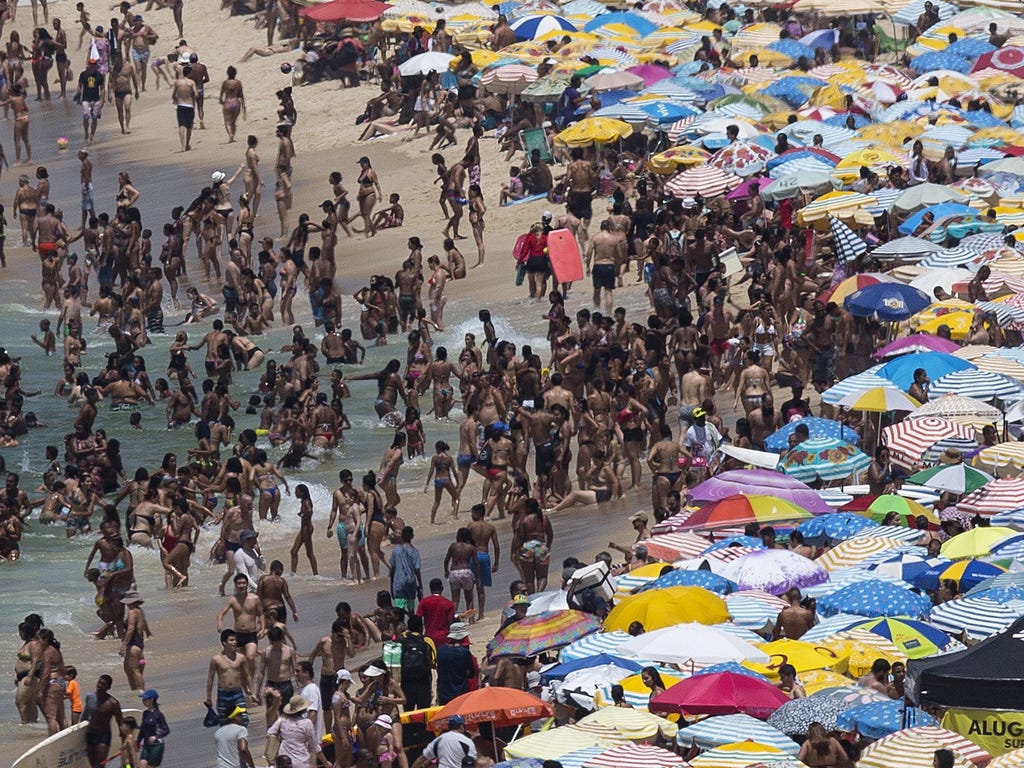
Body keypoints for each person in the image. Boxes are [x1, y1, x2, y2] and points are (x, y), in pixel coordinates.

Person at [266, 695, 328, 768]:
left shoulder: (282, 720)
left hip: (284, 761)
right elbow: (314, 746)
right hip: (301, 761)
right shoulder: (307, 723)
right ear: (304, 709)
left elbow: (269, 733)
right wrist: (325, 762)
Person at [82, 674, 128, 768]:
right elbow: (85, 716)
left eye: (103, 684)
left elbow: (120, 722)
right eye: (99, 683)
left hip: (103, 736)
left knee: (100, 765)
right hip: (90, 734)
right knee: (93, 765)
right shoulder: (90, 697)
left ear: (108, 687)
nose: (99, 686)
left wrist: (125, 741)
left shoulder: (113, 703)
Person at [435, 622, 476, 704]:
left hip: (444, 693)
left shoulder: (440, 650)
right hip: (461, 692)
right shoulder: (464, 652)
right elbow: (471, 673)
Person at [389, 525, 423, 614]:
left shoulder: (396, 551)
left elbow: (392, 569)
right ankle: (412, 626)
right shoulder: (415, 552)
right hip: (410, 582)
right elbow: (417, 571)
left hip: (398, 582)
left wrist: (391, 584)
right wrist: (420, 586)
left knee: (399, 610)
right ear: (412, 536)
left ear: (402, 536)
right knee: (411, 609)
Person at [137, 689, 169, 768]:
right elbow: (142, 729)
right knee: (142, 764)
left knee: (151, 766)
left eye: (145, 699)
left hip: (156, 745)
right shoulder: (145, 713)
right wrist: (137, 742)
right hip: (146, 744)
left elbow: (166, 730)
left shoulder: (158, 714)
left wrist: (156, 737)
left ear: (151, 700)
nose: (143, 701)